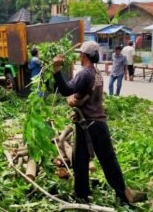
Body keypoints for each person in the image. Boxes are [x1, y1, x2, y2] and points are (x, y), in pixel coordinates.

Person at [52, 41, 131, 205]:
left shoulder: (85, 74)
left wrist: (57, 70)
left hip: (88, 125)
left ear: (84, 56)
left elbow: (66, 90)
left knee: (82, 161)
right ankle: (122, 195)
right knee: (106, 160)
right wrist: (77, 101)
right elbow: (83, 96)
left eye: (81, 54)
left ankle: (82, 196)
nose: (79, 56)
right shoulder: (97, 74)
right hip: (97, 124)